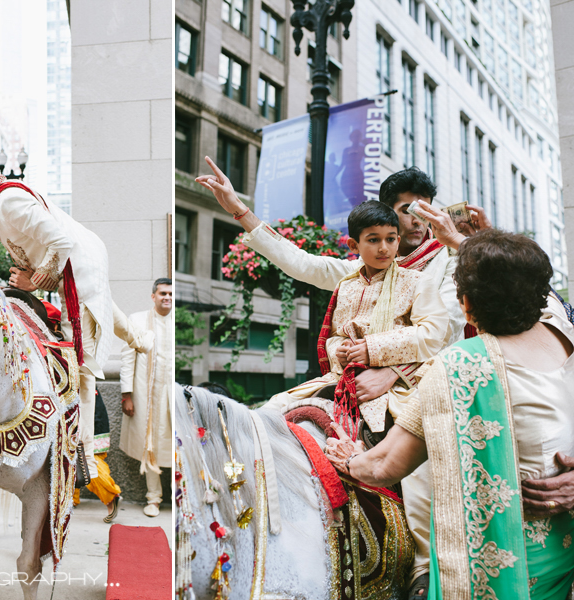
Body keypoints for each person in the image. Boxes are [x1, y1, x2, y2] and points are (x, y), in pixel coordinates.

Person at [196, 158, 477, 597]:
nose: (418, 219)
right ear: (380, 222)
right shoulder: (351, 273)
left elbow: (444, 332)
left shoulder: (443, 263)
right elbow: (297, 260)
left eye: (425, 208)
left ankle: (425, 567)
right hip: (345, 382)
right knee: (269, 416)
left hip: (416, 379)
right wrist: (238, 209)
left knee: (421, 459)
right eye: (407, 210)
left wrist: (386, 367)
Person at [324, 229, 574, 599]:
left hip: (513, 569)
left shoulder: (460, 364)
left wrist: (351, 460)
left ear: (466, 304)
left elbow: (386, 466)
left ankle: (420, 571)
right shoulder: (563, 337)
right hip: (564, 559)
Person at [0, 144, 151, 480]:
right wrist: (32, 280)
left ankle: (81, 458)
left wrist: (37, 280)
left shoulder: (9, 201)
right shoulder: (2, 204)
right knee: (103, 310)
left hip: (75, 272)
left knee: (79, 369)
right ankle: (141, 339)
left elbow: (61, 241)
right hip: (78, 275)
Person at [119, 278, 173, 517]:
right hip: (145, 394)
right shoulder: (138, 320)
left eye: (171, 294)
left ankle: (179, 499)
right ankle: (153, 499)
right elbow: (127, 358)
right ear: (153, 296)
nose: (167, 298)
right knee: (149, 443)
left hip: (171, 397)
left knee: (174, 444)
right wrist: (126, 394)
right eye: (163, 293)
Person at [73, 389, 122, 523]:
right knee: (74, 457)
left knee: (86, 459)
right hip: (86, 407)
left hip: (85, 412)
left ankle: (110, 495)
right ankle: (72, 499)